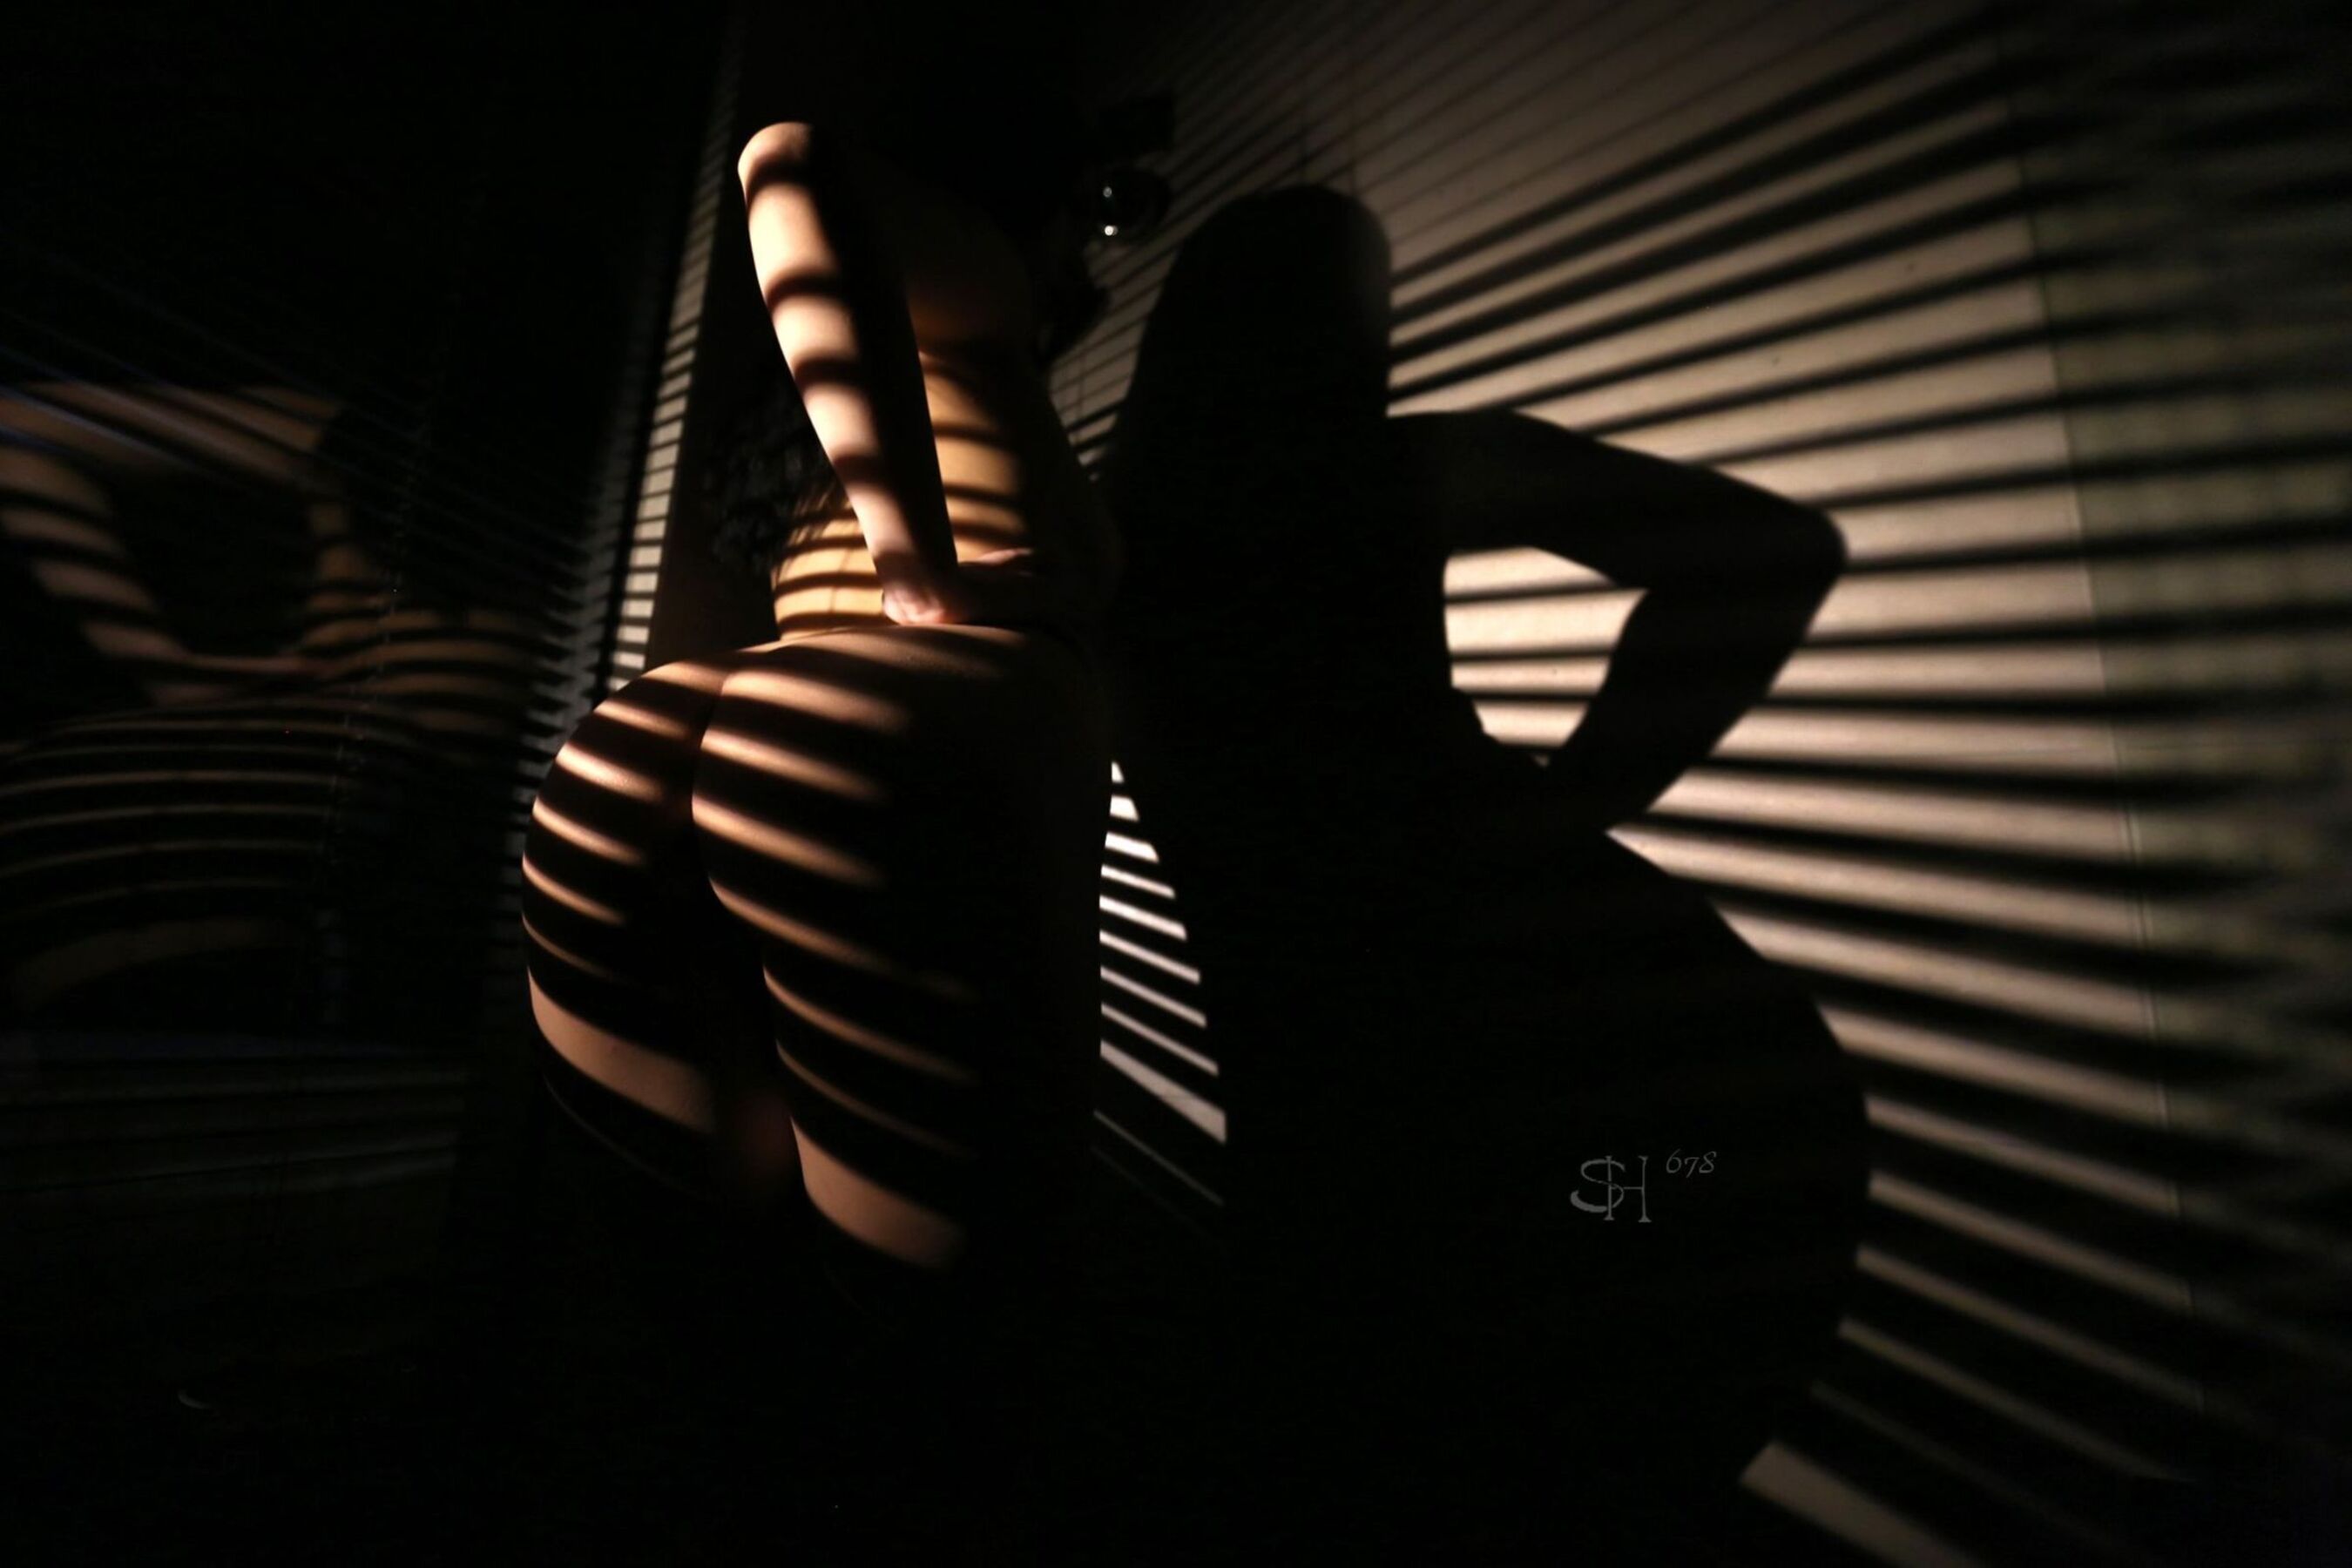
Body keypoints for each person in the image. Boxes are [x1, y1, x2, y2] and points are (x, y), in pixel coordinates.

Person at [1101, 187, 1869, 1561]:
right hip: (1658, 1117)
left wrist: (1561, 815)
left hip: (1572, 1122)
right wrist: (1566, 813)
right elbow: (1770, 551)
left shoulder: (1107, 559)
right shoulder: (1388, 477)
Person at [514, 54, 1120, 1566]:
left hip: (670, 742)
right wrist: (920, 580)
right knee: (947, 1368)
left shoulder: (830, 419)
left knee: (722, 1346)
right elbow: (787, 165)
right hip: (896, 725)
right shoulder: (984, 289)